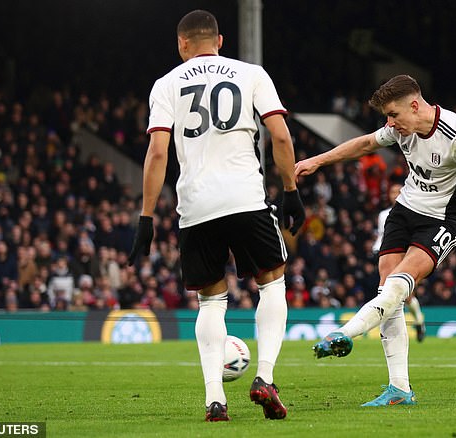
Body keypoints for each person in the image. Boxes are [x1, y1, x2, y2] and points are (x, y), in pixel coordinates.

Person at [127, 10, 305, 422]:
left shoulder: (166, 84)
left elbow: (157, 152)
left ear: (181, 44)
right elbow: (280, 134)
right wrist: (291, 191)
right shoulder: (252, 73)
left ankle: (215, 400)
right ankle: (265, 378)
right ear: (220, 41)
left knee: (211, 301)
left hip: (196, 206)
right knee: (272, 284)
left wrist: (146, 217)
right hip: (245, 197)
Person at [295, 74, 456, 406]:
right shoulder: (400, 128)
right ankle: (399, 388)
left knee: (398, 285)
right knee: (388, 291)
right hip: (405, 210)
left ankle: (344, 334)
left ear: (414, 105)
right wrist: (317, 160)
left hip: (443, 219)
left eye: (393, 114)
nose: (389, 123)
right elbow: (366, 143)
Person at [373, 182, 426, 342]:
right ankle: (393, 331)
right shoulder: (383, 215)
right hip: (388, 252)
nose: (395, 195)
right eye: (392, 192)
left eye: (398, 191)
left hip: (407, 253)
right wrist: (376, 248)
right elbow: (382, 235)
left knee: (406, 295)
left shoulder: (414, 211)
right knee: (387, 290)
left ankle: (418, 321)